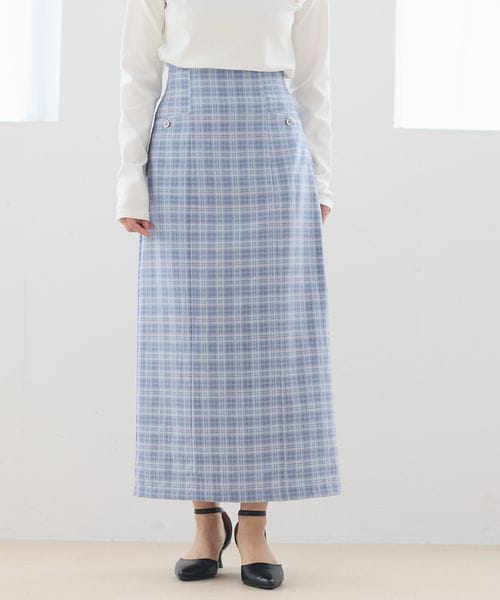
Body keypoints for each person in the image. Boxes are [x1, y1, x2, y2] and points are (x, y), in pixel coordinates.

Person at [116, 0, 341, 590]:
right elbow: (138, 73)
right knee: (188, 341)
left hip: (274, 152)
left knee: (271, 342)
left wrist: (322, 181)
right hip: (184, 150)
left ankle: (256, 527)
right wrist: (129, 182)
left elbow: (313, 78)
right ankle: (205, 524)